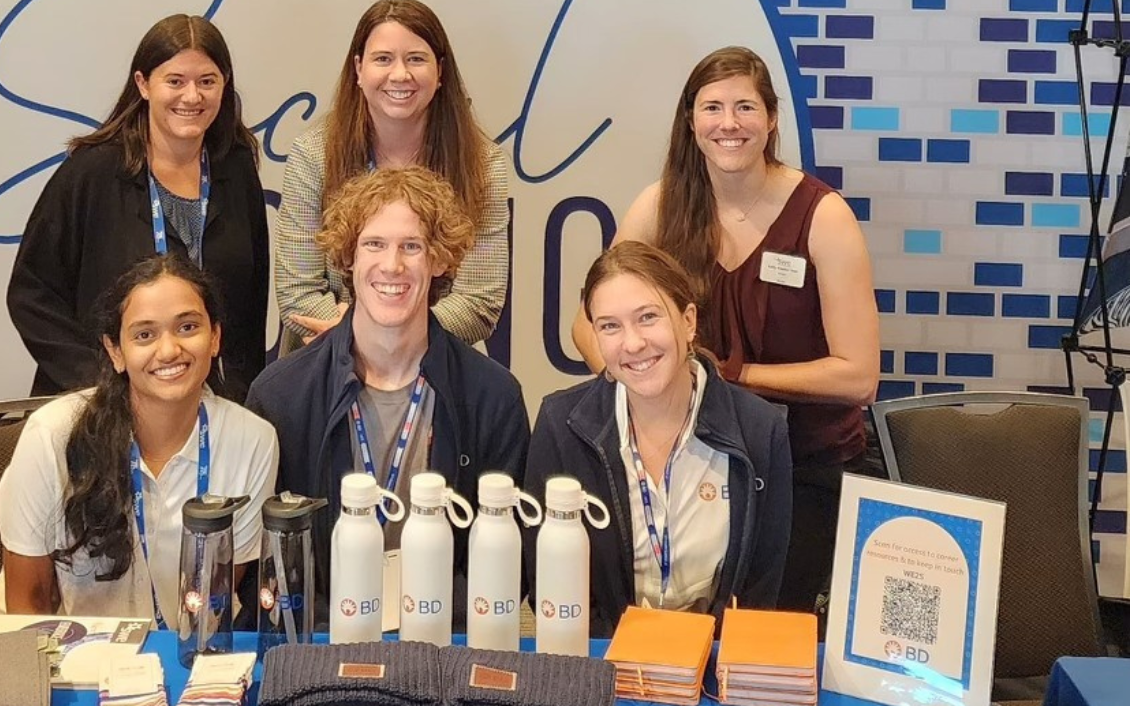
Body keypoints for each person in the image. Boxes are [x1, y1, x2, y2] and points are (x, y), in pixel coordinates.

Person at [574, 47, 878, 615]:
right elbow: (586, 325)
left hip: (803, 468)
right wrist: (638, 382)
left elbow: (858, 376)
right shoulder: (660, 206)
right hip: (687, 455)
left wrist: (730, 377)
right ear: (691, 122)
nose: (729, 123)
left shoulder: (824, 216)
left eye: (745, 107)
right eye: (712, 107)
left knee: (763, 634)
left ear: (771, 120)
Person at [248, 167, 530, 627]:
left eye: (412, 246)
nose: (392, 266)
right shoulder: (281, 396)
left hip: (443, 645)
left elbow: (511, 570)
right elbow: (264, 571)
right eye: (374, 244)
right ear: (349, 259)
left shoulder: (493, 397)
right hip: (322, 643)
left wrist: (434, 618)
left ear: (439, 261)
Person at [0, 254, 278, 619]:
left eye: (188, 327)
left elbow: (211, 605)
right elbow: (28, 607)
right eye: (145, 335)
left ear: (215, 337)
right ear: (115, 351)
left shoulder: (252, 441)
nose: (169, 350)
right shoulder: (53, 435)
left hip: (179, 656)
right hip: (62, 653)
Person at [531, 242, 792, 636]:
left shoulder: (760, 431)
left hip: (715, 669)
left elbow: (763, 591)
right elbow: (548, 586)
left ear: (688, 321)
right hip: (606, 664)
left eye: (648, 317)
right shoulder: (561, 426)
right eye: (610, 326)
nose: (632, 343)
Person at [8, 15, 269, 402]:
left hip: (203, 406)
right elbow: (32, 293)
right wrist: (100, 384)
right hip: (98, 404)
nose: (192, 96)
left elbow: (249, 304)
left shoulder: (235, 166)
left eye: (207, 81)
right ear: (143, 84)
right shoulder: (93, 171)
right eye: (175, 81)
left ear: (224, 86)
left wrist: (239, 397)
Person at [275, 0, 509, 352]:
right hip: (322, 364)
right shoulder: (314, 156)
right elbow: (298, 295)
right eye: (383, 59)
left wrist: (396, 335)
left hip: (436, 364)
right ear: (358, 69)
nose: (400, 75)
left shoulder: (483, 164)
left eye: (416, 59)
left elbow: (479, 300)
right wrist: (363, 336)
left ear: (440, 71)